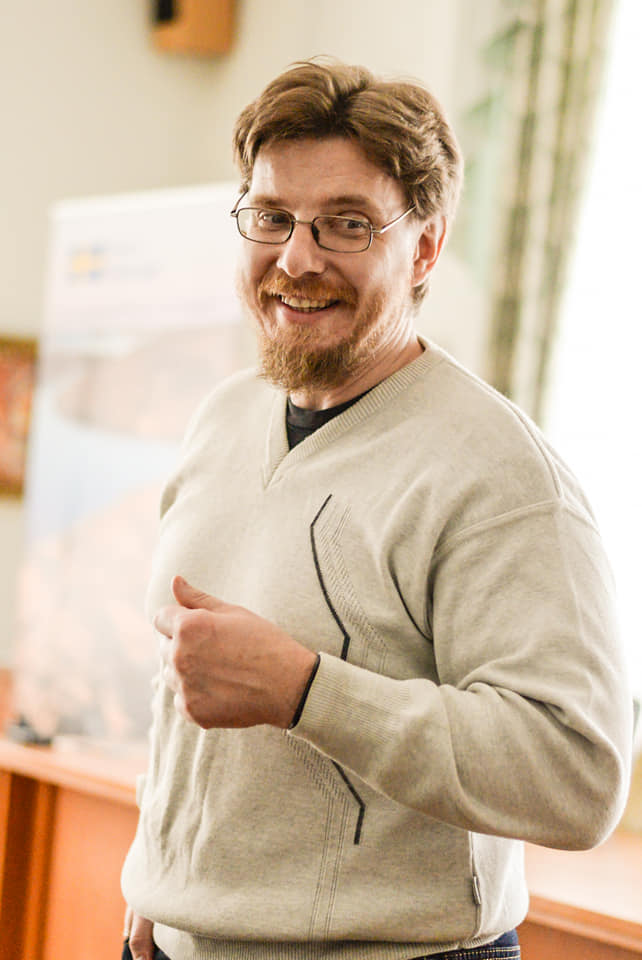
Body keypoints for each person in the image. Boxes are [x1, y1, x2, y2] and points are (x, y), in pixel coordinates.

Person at [120, 59, 632, 960]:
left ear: (426, 248)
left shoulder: (500, 475)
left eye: (347, 224)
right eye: (272, 216)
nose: (297, 258)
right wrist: (156, 883)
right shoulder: (221, 418)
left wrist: (306, 691)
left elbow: (576, 776)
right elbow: (185, 700)